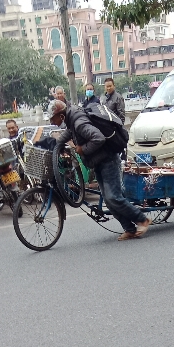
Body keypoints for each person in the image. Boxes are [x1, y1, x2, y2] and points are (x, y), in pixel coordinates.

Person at [49, 100, 151, 241]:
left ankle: (143, 219)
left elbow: (99, 138)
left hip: (108, 160)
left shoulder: (79, 123)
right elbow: (69, 132)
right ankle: (130, 229)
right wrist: (56, 144)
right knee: (109, 201)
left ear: (61, 116)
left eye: (52, 119)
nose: (52, 122)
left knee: (113, 197)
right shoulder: (73, 119)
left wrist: (83, 149)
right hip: (98, 161)